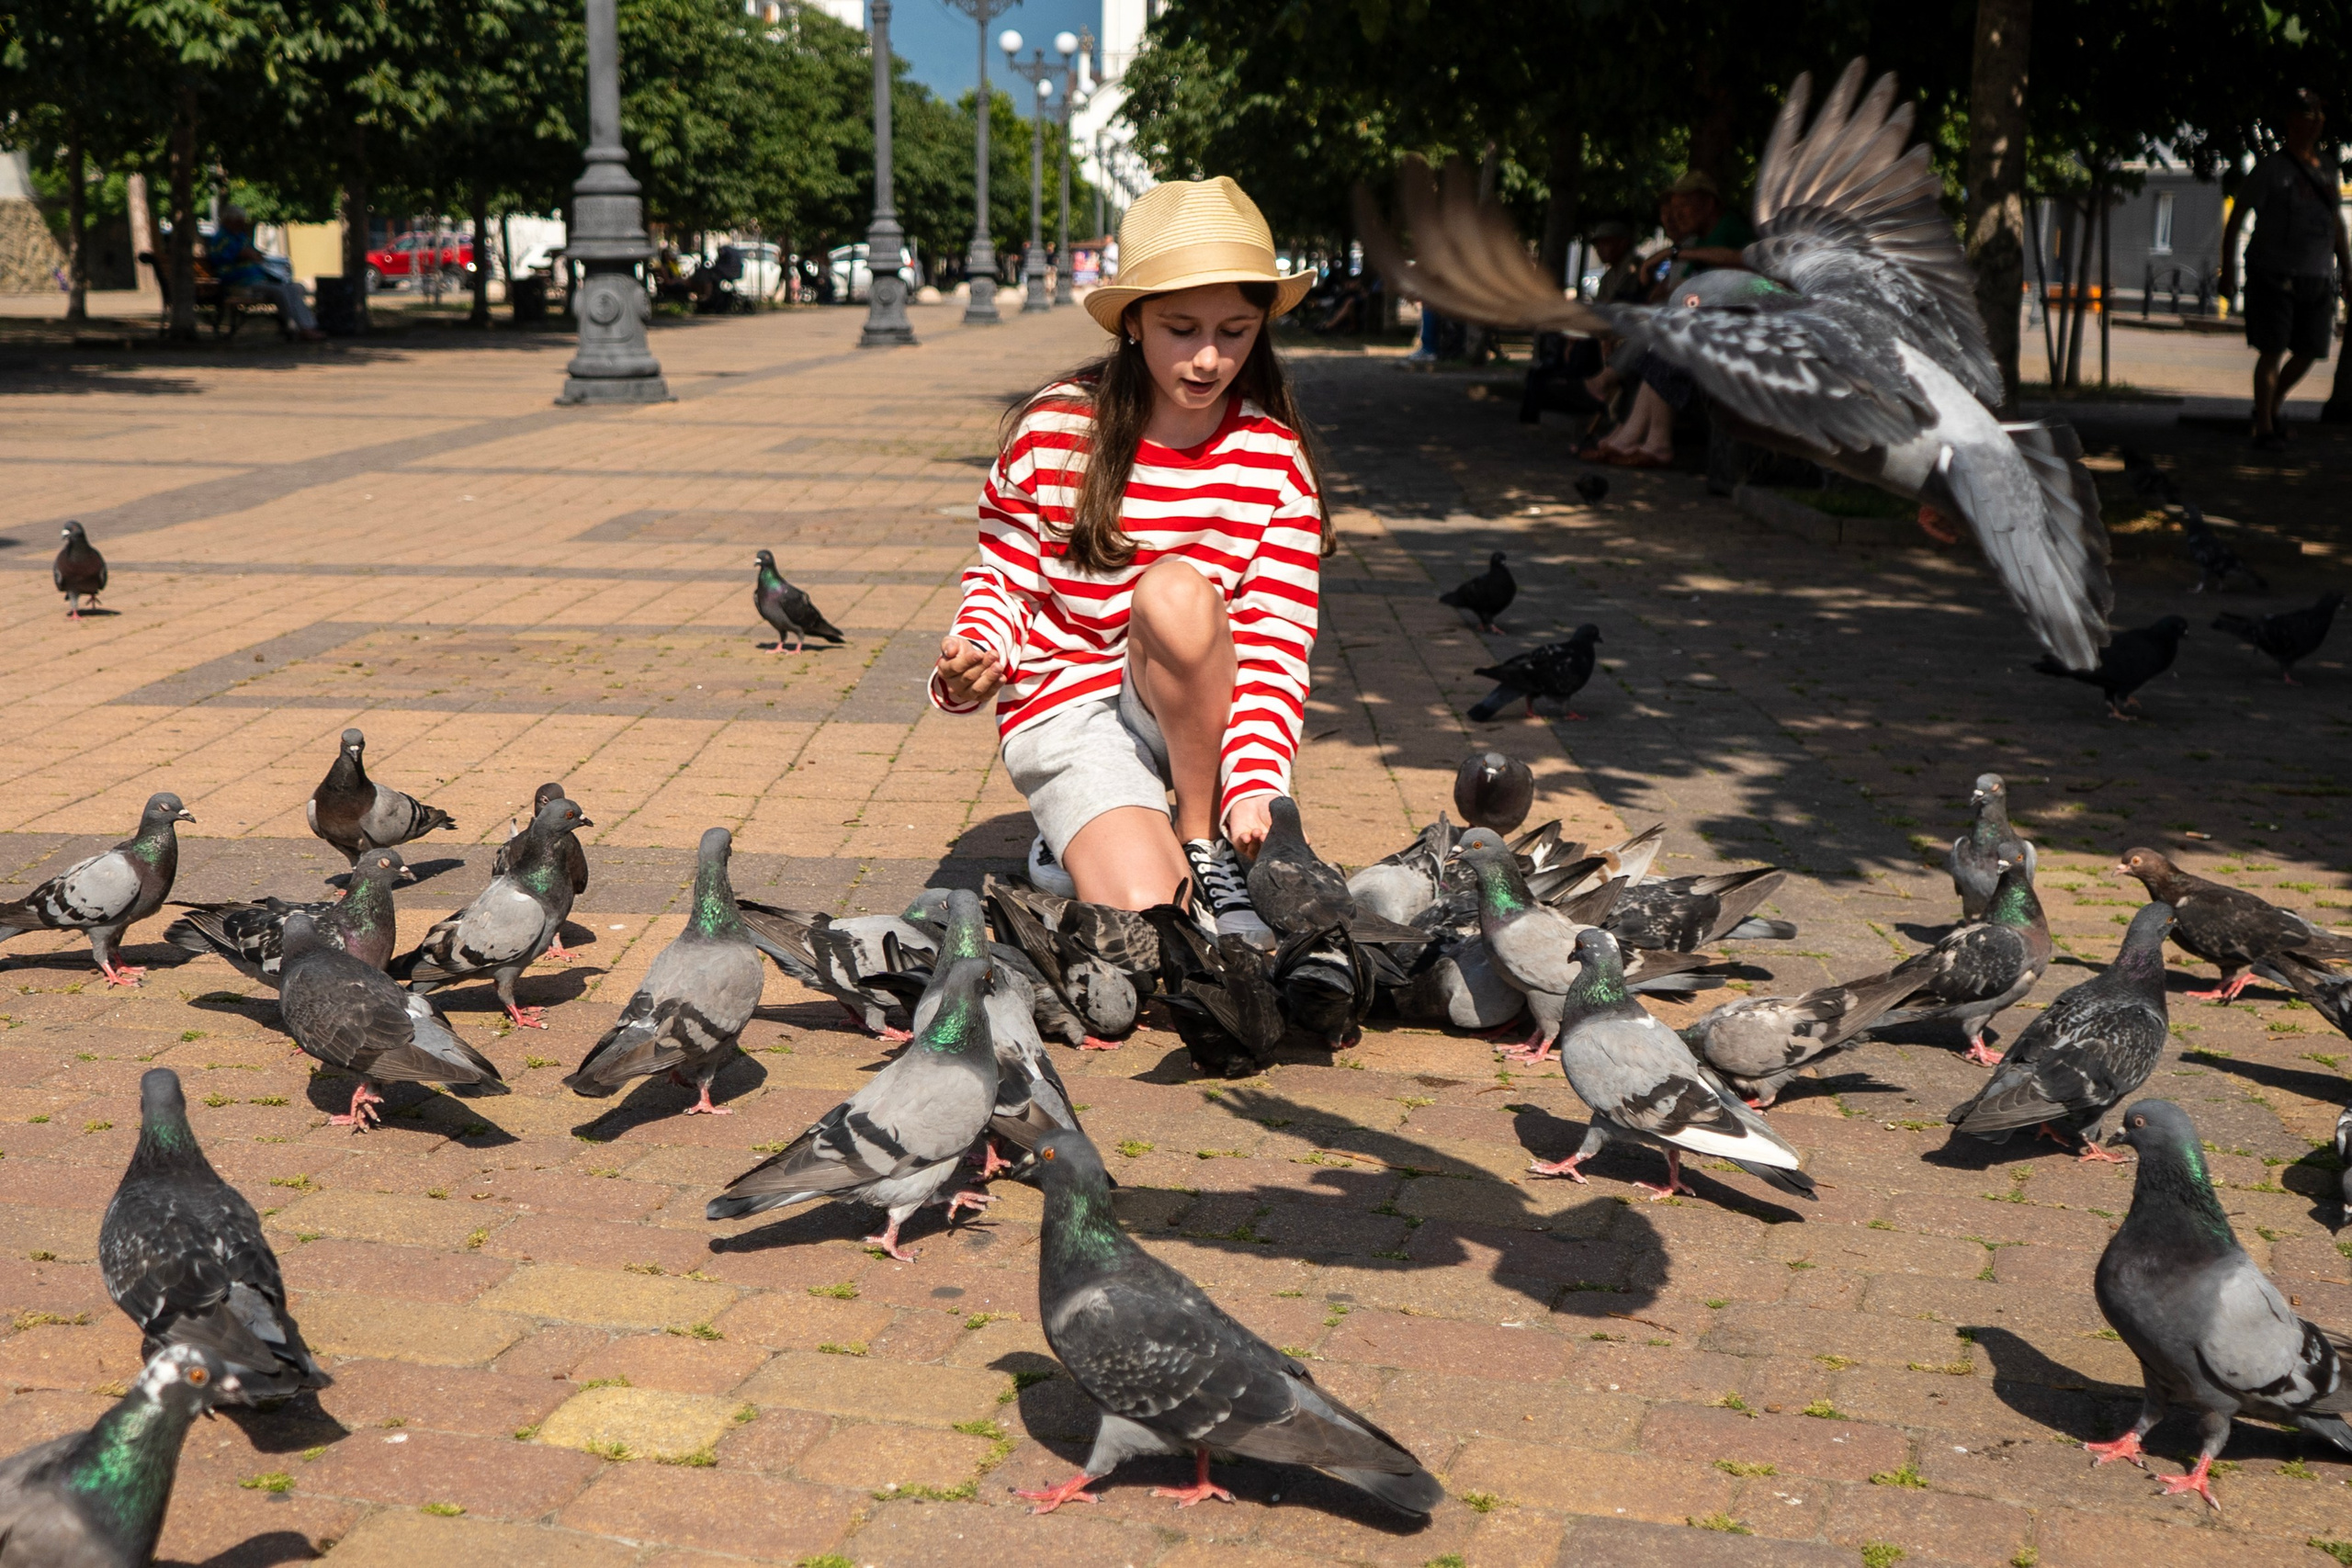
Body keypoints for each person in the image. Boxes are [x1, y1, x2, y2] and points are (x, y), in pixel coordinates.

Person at [929, 176, 1325, 937]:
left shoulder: (1274, 458)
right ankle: (1087, 836)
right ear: (1134, 321)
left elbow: (1276, 642)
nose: (1209, 357)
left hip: (1195, 714)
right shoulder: (1054, 426)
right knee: (1155, 927)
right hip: (1067, 704)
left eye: (1235, 331)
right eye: (1182, 328)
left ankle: (1200, 836)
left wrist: (1256, 785)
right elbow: (1005, 577)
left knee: (1175, 593)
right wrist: (976, 650)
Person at [1583, 172, 1755, 467]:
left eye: (1685, 206)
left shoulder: (1729, 228)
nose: (1678, 215)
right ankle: (1645, 439)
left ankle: (1643, 435)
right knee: (1661, 343)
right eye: (1673, 209)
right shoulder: (1703, 239)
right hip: (1711, 327)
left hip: (1740, 329)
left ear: (1709, 203)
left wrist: (1672, 253)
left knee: (1666, 337)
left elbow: (1742, 259)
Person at [2222, 89, 2351, 449]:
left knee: (2311, 349)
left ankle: (2271, 407)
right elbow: (2236, 219)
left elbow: (2336, 223)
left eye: (2320, 116)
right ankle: (2264, 428)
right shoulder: (2271, 169)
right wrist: (2228, 271)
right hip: (2272, 272)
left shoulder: (2327, 168)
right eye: (2310, 115)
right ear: (2294, 122)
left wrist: (2347, 270)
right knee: (2272, 349)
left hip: (2317, 273)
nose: (2318, 122)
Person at [207, 209, 324, 341]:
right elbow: (218, 259)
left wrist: (256, 255)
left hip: (259, 280)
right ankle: (298, 328)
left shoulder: (241, 237)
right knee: (281, 291)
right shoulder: (221, 238)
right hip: (239, 283)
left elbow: (255, 255)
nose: (242, 224)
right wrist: (240, 255)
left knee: (294, 288)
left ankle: (308, 327)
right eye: (239, 221)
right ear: (229, 221)